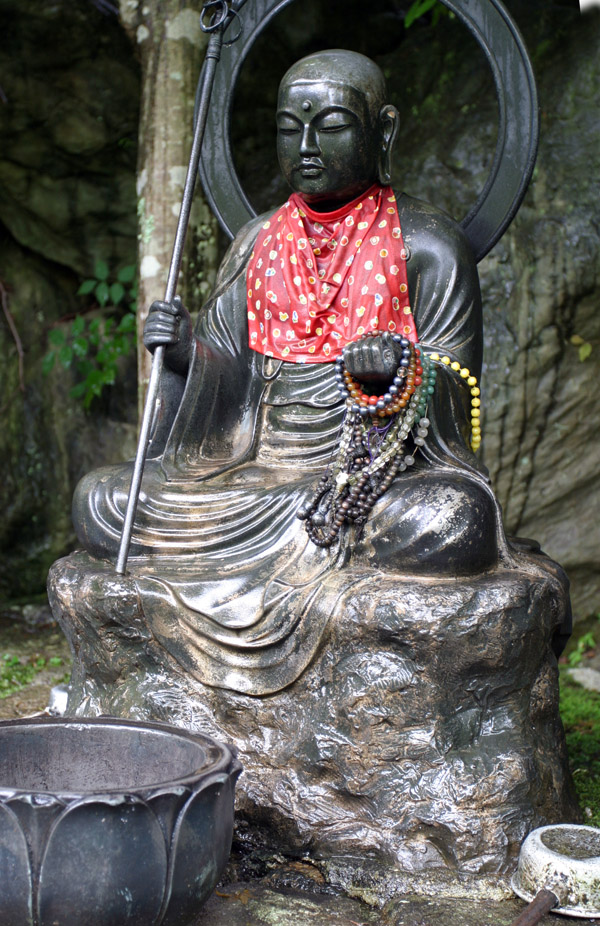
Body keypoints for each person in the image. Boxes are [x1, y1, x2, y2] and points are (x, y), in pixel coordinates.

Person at [71, 49, 510, 695]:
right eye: (288, 127)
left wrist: (397, 370)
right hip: (246, 474)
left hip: (360, 481)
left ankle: (296, 554)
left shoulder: (428, 246)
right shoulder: (256, 241)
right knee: (103, 501)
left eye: (330, 124)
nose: (306, 146)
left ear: (382, 131)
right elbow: (228, 369)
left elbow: (458, 382)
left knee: (449, 520)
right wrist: (189, 351)